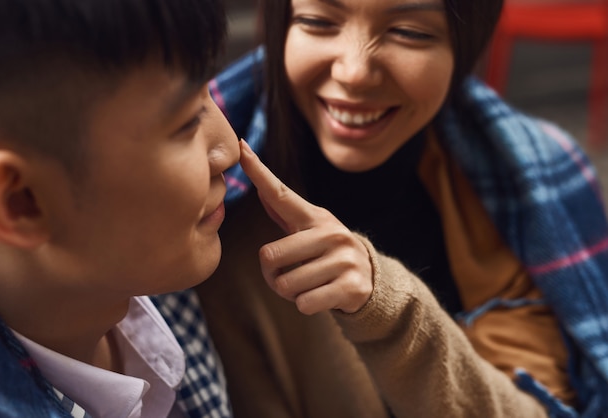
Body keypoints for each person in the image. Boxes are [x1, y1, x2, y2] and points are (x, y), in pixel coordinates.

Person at [195, 0, 608, 416]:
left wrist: (388, 309)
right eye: (319, 22)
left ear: (463, 48)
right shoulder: (207, 213)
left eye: (408, 32)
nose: (353, 73)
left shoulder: (530, 180)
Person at [0, 1, 240, 416]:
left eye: (208, 88)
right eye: (188, 121)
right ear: (22, 203)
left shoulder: (142, 265)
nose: (229, 149)